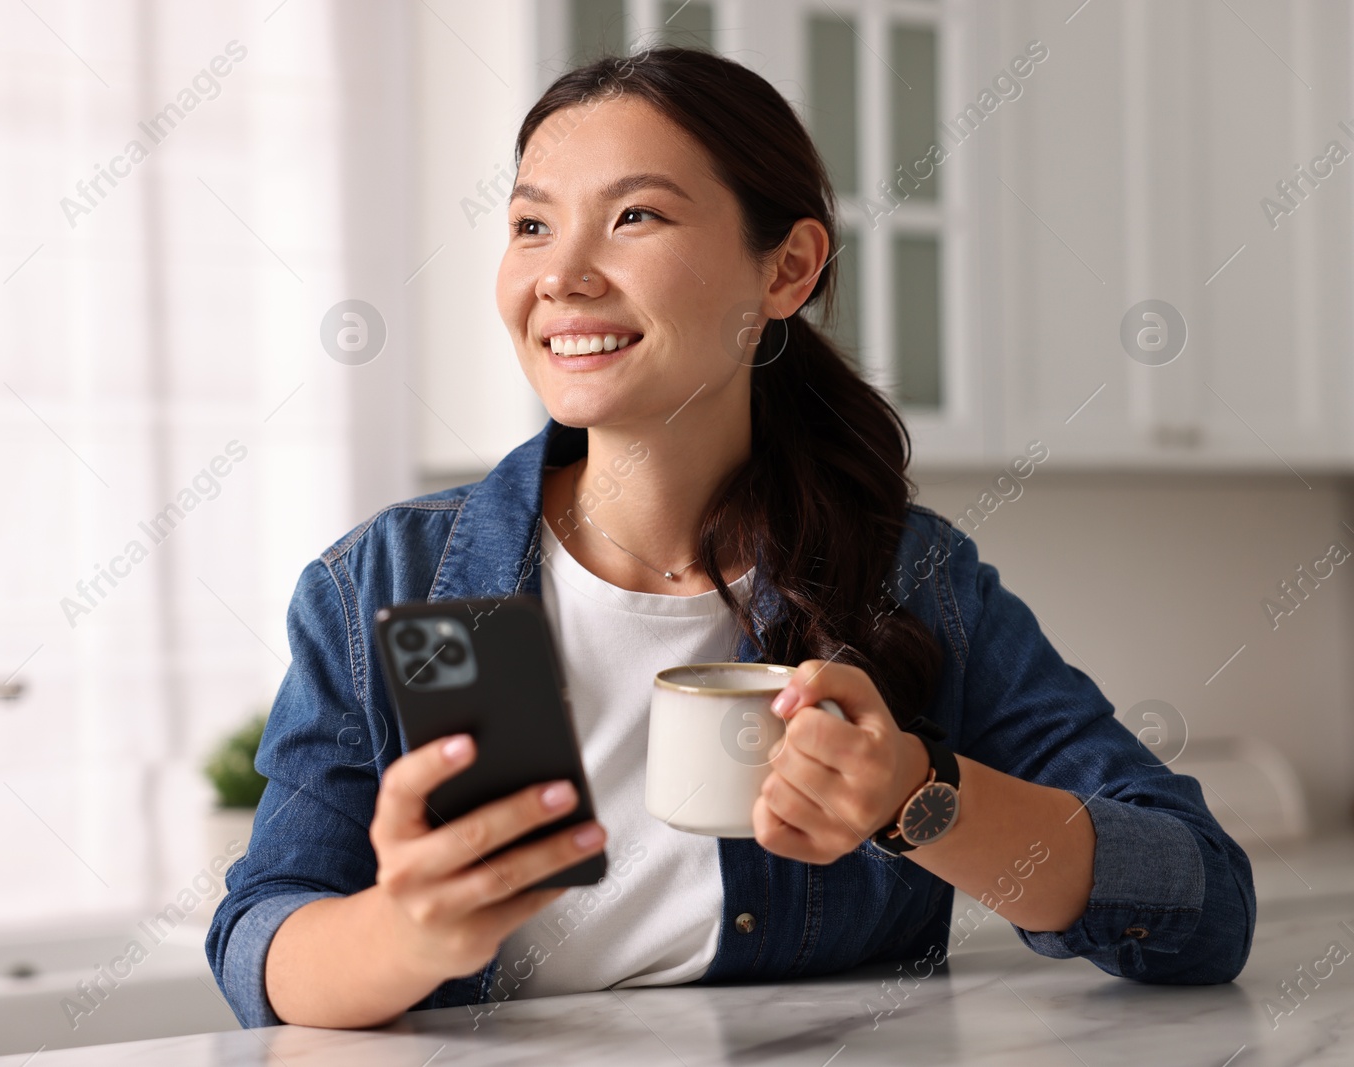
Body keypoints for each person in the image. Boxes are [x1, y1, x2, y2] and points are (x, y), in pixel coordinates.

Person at [206, 46, 1255, 1031]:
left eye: (635, 216)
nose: (560, 274)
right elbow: (261, 935)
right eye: (529, 226)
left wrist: (915, 794)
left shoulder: (910, 578)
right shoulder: (384, 584)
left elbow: (1200, 896)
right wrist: (405, 929)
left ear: (787, 270)